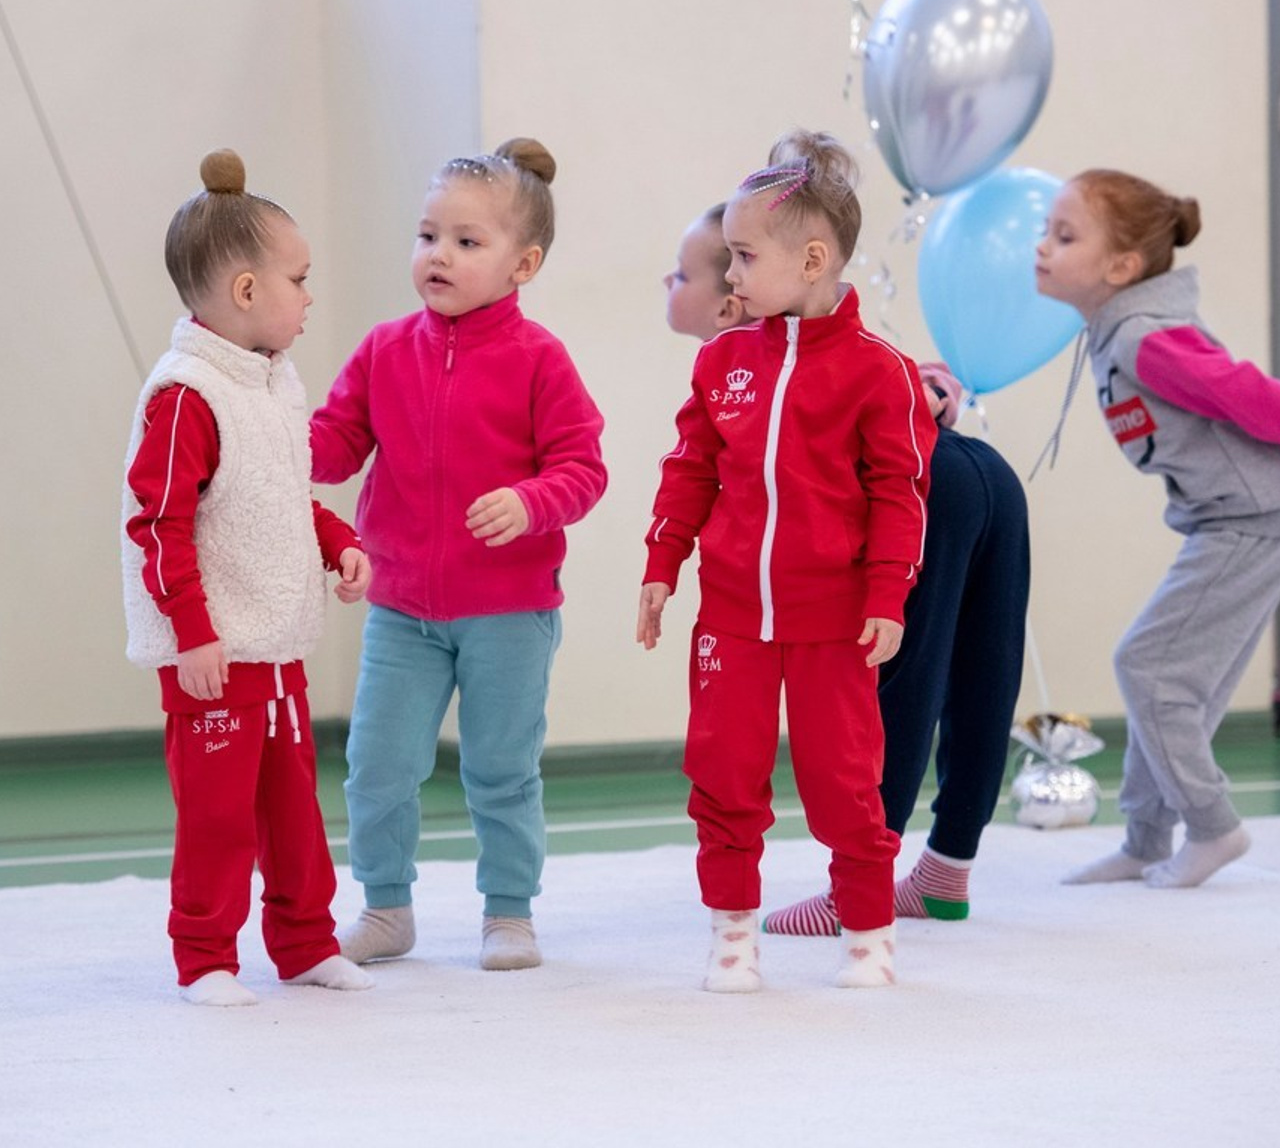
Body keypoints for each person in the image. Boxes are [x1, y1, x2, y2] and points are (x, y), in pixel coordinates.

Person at [663, 204, 1031, 935]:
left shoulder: (771, 356)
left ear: (731, 303)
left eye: (680, 275)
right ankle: (947, 869)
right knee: (982, 670)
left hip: (932, 494)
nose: (668, 284)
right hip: (986, 477)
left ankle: (858, 885)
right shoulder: (813, 348)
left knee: (892, 684)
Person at [637, 129, 936, 992]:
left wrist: (887, 596)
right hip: (731, 617)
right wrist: (662, 565)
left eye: (742, 256)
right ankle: (732, 935)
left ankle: (869, 934)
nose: (728, 274)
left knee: (845, 784)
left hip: (834, 624)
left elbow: (900, 496)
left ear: (812, 260)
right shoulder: (724, 361)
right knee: (722, 776)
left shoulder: (880, 373)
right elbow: (690, 469)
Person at [310, 138, 607, 971]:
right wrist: (278, 439)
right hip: (402, 607)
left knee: (501, 770)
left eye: (467, 241)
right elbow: (336, 443)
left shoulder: (540, 359)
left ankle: (509, 912)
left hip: (510, 612)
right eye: (428, 235)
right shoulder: (384, 349)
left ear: (523, 264)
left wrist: (530, 502)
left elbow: (584, 469)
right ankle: (386, 907)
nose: (439, 254)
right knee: (377, 765)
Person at [122, 150, 374, 1007]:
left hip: (276, 653)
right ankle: (205, 958)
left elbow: (277, 499)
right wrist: (193, 633)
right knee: (219, 820)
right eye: (299, 280)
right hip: (215, 656)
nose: (309, 297)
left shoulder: (271, 385)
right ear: (244, 290)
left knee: (295, 816)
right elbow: (159, 525)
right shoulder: (187, 396)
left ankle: (305, 943)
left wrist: (337, 541)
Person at [1036, 168, 1275, 888]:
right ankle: (1145, 841)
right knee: (1171, 679)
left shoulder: (1146, 339)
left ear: (1121, 268)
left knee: (1150, 668)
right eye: (1046, 231)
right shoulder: (1118, 335)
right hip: (1228, 520)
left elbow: (1250, 395)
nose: (1042, 246)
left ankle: (1213, 827)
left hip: (1251, 520)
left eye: (1064, 236)